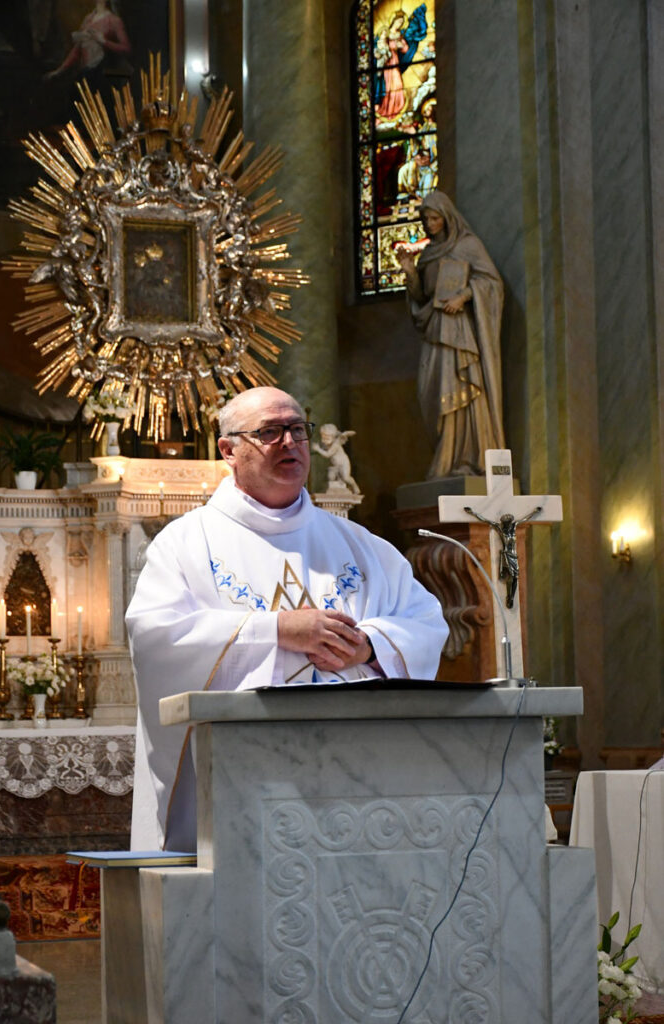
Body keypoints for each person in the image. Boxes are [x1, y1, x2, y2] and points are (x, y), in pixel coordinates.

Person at [126, 387, 448, 851]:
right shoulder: (185, 544)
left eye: (297, 429)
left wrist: (369, 645)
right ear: (228, 450)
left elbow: (425, 621)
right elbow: (155, 635)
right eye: (269, 432)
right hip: (241, 779)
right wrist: (276, 630)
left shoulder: (360, 544)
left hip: (357, 774)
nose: (290, 442)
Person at [397, 190, 505, 478]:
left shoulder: (467, 245)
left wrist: (464, 296)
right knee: (431, 392)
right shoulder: (428, 254)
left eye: (434, 218)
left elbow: (491, 283)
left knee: (459, 388)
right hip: (435, 330)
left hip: (459, 332)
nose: (429, 224)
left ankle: (466, 459)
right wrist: (410, 272)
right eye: (425, 219)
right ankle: (444, 458)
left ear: (447, 217)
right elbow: (422, 297)